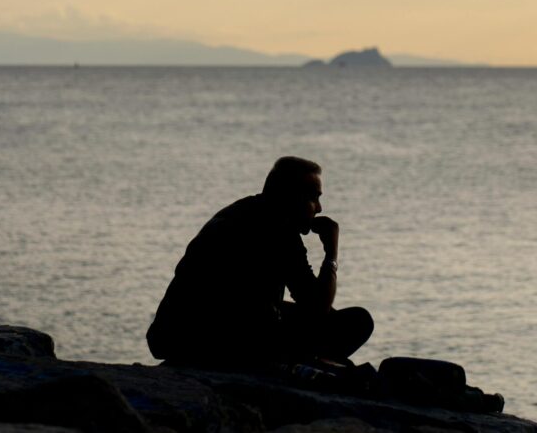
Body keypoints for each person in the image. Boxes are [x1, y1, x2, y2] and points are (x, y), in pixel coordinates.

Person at [146, 156, 373, 368]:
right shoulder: (277, 231)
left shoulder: (243, 212)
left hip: (172, 334)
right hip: (214, 337)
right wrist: (331, 253)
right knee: (358, 322)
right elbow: (317, 307)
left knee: (302, 317)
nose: (319, 208)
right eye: (313, 198)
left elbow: (312, 304)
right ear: (291, 197)